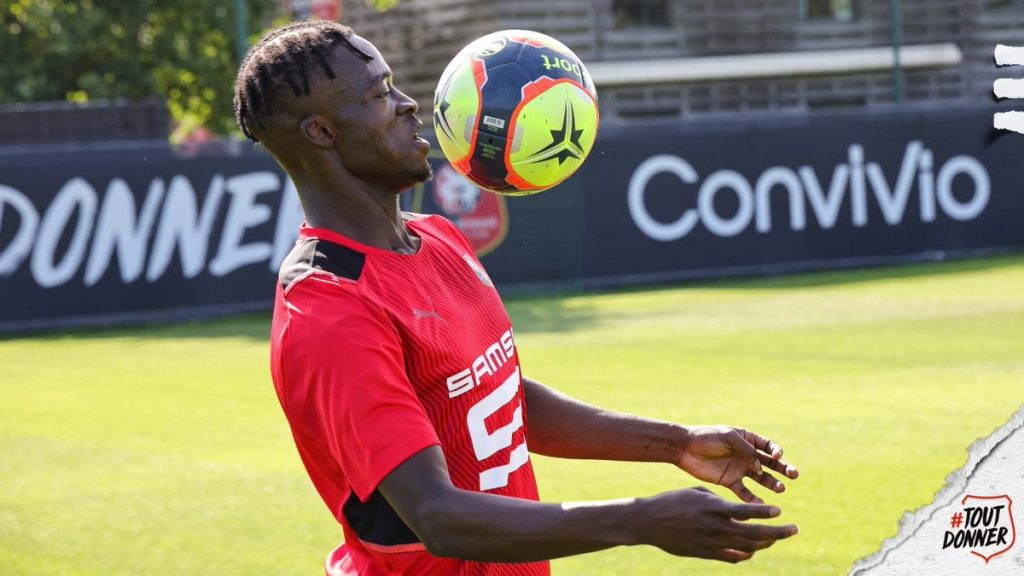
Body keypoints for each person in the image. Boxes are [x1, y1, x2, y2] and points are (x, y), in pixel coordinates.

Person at [234, 20, 800, 576]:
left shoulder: (436, 238)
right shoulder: (329, 308)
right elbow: (438, 516)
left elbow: (498, 398)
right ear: (322, 132)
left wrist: (674, 443)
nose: (409, 104)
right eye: (382, 93)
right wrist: (638, 521)